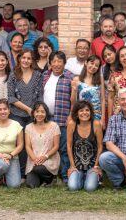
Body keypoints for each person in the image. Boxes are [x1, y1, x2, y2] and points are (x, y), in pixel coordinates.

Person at [41, 51, 74, 180]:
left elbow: (74, 99)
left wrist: (71, 115)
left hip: (63, 118)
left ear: (64, 63)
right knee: (48, 148)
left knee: (64, 148)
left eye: (59, 61)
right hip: (47, 120)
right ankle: (50, 176)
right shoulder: (44, 76)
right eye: (54, 61)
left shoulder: (70, 77)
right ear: (50, 63)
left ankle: (65, 176)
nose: (56, 64)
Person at [0, 99, 24, 188]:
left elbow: (20, 145)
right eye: (0, 109)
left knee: (15, 185)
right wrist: (0, 155)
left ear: (9, 110)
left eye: (5, 109)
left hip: (11, 157)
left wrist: (10, 155)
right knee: (2, 165)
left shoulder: (16, 125)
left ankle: (4, 176)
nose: (3, 111)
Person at [66, 101, 103, 192]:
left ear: (91, 112)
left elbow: (100, 146)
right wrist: (72, 166)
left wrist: (96, 166)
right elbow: (69, 146)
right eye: (81, 110)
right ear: (77, 113)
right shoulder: (72, 124)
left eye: (87, 110)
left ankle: (93, 177)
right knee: (72, 187)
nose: (84, 113)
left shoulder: (96, 124)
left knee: (89, 188)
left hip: (92, 165)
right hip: (77, 166)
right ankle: (82, 177)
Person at [24, 102, 61, 188]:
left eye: (42, 112)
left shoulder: (54, 126)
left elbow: (56, 146)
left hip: (49, 159)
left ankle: (52, 178)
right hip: (34, 160)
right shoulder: (29, 127)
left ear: (46, 113)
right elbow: (27, 146)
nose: (40, 114)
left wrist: (45, 156)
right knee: (31, 185)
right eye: (37, 111)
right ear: (33, 113)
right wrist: (34, 159)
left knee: (39, 168)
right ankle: (45, 181)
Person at [7, 49, 44, 128]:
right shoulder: (13, 75)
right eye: (23, 58)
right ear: (19, 59)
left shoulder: (38, 75)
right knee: (19, 139)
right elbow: (11, 97)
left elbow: (40, 96)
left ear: (32, 61)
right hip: (16, 114)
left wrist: (37, 111)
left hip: (34, 114)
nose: (26, 60)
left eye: (29, 58)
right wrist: (28, 109)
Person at [71, 55, 105, 120]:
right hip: (82, 115)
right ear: (86, 63)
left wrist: (103, 118)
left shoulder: (100, 79)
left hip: (97, 115)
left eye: (96, 65)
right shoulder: (77, 79)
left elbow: (102, 99)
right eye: (92, 63)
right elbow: (73, 102)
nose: (93, 67)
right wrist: (74, 90)